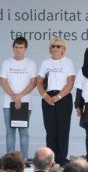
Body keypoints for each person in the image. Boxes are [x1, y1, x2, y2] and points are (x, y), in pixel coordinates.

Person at [37, 38, 75, 166]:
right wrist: (45, 96)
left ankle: (62, 158)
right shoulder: (45, 63)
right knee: (50, 129)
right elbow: (39, 83)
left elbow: (70, 83)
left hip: (63, 97)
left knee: (63, 129)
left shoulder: (68, 62)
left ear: (63, 49)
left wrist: (58, 97)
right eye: (53, 46)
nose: (55, 48)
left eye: (58, 46)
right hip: (48, 98)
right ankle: (50, 159)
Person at [0, 37, 37, 160]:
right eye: (16, 47)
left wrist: (19, 96)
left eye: (21, 47)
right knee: (10, 133)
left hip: (25, 103)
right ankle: (9, 160)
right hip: (8, 103)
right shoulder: (6, 62)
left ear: (25, 48)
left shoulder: (31, 63)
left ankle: (24, 159)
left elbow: (33, 83)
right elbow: (3, 82)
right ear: (13, 48)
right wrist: (14, 97)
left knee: (24, 133)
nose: (18, 50)